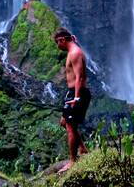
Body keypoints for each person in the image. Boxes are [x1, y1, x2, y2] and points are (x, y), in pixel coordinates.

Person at [53, 27, 91, 173]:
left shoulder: (75, 53)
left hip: (78, 93)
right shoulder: (72, 50)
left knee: (70, 126)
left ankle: (72, 161)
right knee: (65, 122)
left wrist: (76, 97)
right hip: (72, 92)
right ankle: (82, 148)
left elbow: (80, 77)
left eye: (58, 42)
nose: (58, 46)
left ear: (63, 40)